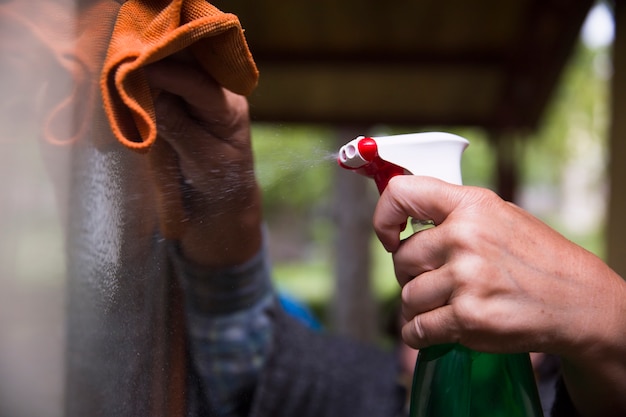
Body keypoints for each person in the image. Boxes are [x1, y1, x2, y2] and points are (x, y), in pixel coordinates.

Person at [145, 57, 626, 417]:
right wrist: (229, 204)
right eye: (434, 274)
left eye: (497, 284)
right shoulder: (361, 394)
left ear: (547, 353)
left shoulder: (568, 393)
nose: (459, 288)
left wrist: (606, 318)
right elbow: (244, 356)